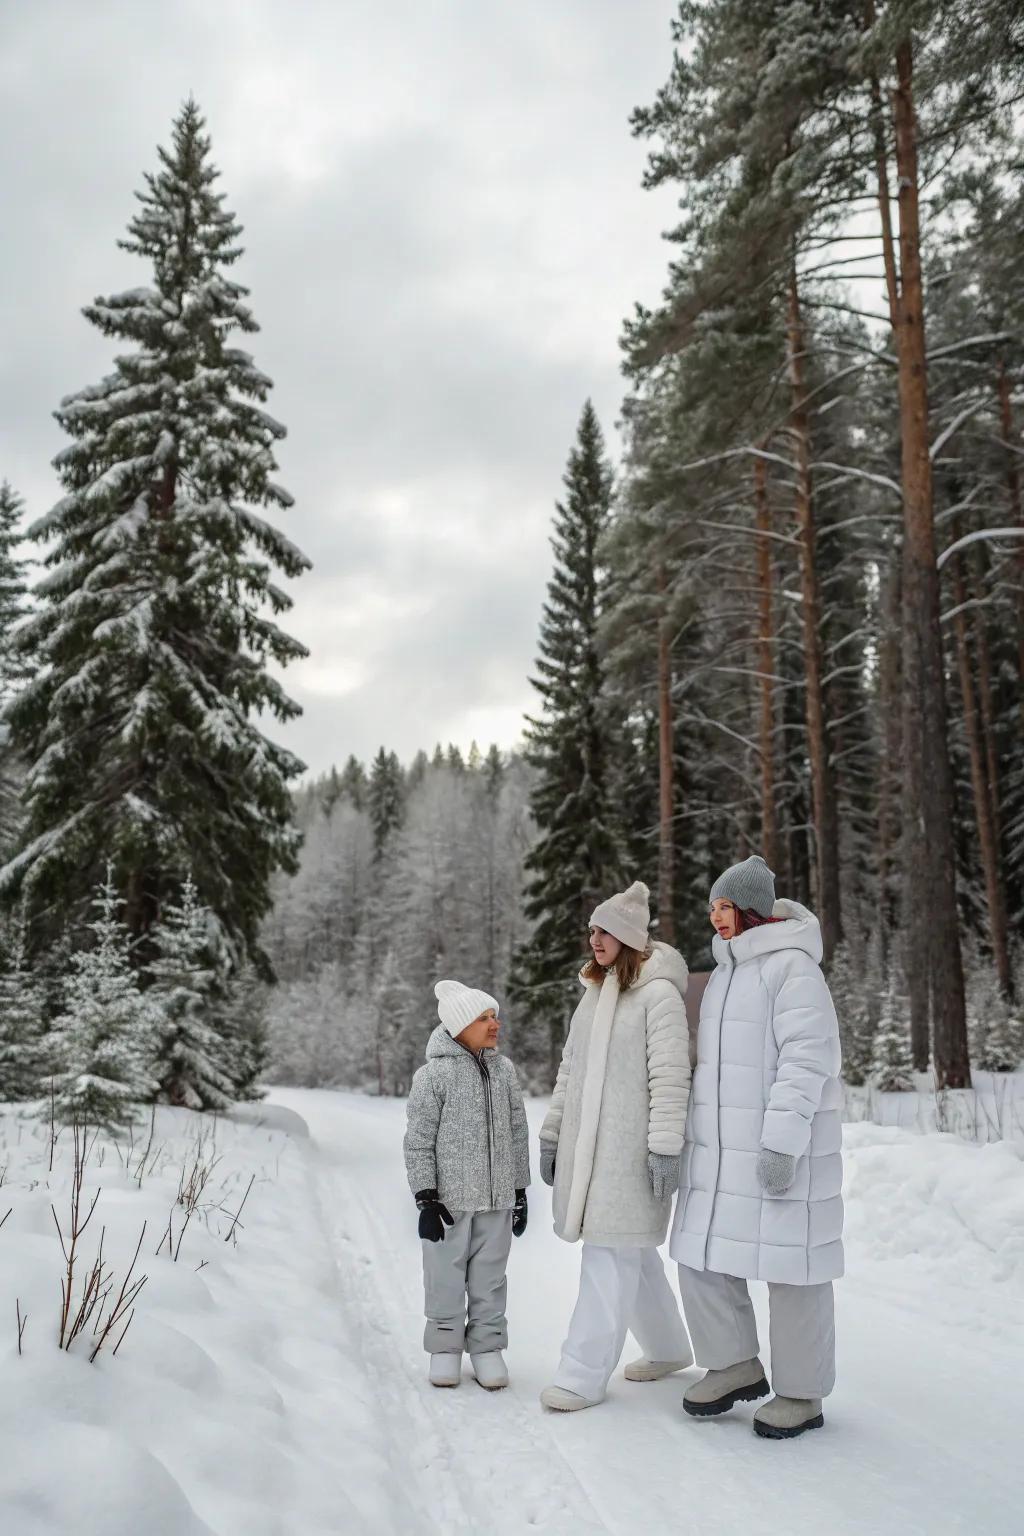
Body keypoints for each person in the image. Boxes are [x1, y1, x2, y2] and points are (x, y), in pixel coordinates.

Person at [671, 854, 844, 1439]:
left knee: (792, 1271)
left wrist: (782, 1143)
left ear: (749, 910)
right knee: (700, 1253)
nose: (715, 918)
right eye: (711, 909)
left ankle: (802, 1393)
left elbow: (806, 1057)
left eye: (723, 907)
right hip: (719, 1153)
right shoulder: (724, 974)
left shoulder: (792, 968)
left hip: (778, 1149)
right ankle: (734, 1362)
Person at [538, 880, 692, 1412]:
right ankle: (670, 1348)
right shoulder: (594, 995)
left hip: (630, 1157)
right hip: (590, 1156)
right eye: (591, 930)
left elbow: (671, 1077)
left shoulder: (659, 996)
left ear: (628, 937)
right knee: (629, 1252)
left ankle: (580, 1375)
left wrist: (665, 1149)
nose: (594, 939)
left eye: (604, 931)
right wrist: (554, 1134)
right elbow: (569, 1071)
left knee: (610, 1255)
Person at [403, 979, 530, 1391]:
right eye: (484, 1018)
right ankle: (444, 1348)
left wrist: (519, 1189)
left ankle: (486, 1347)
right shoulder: (433, 1076)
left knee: (490, 1278)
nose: (495, 1024)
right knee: (444, 1275)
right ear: (459, 1026)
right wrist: (425, 1197)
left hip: (496, 1199)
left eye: (495, 1016)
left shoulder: (504, 1070)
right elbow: (419, 1139)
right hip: (449, 1204)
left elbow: (516, 1130)